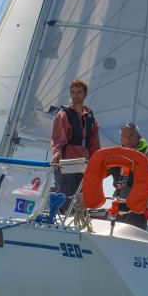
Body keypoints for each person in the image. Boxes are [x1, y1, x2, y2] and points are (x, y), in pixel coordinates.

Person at [50, 79, 100, 209]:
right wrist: (57, 153)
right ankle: (62, 217)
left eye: (79, 92)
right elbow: (58, 138)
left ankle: (78, 218)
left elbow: (94, 141)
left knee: (81, 198)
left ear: (85, 94)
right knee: (65, 197)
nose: (75, 95)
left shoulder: (90, 117)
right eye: (73, 92)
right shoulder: (63, 115)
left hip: (83, 163)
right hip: (67, 163)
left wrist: (96, 160)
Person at [111, 122, 148, 228]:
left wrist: (147, 202)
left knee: (130, 233)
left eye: (131, 136)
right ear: (121, 139)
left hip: (138, 209)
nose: (128, 139)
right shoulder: (117, 156)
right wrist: (116, 181)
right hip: (118, 203)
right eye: (124, 136)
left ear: (138, 137)